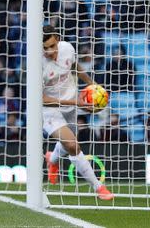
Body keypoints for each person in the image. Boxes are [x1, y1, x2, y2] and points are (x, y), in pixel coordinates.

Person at [42, 25, 114, 200]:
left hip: (72, 104)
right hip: (49, 110)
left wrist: (92, 84)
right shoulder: (38, 64)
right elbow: (41, 99)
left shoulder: (67, 49)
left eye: (52, 46)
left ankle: (52, 159)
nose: (50, 51)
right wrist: (74, 102)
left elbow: (74, 66)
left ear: (58, 39)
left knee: (69, 143)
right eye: (45, 48)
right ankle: (99, 188)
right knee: (73, 145)